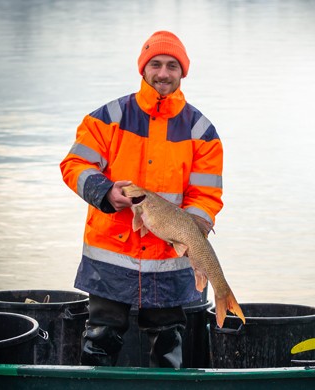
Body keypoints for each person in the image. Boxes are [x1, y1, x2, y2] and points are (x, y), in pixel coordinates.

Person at [60, 31, 223, 368]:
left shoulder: (201, 131)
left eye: (172, 66)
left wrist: (188, 231)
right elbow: (74, 165)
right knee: (101, 335)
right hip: (111, 255)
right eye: (156, 64)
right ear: (143, 69)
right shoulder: (108, 117)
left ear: (183, 72)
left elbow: (206, 195)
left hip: (169, 255)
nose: (163, 73)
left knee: (168, 338)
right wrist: (106, 192)